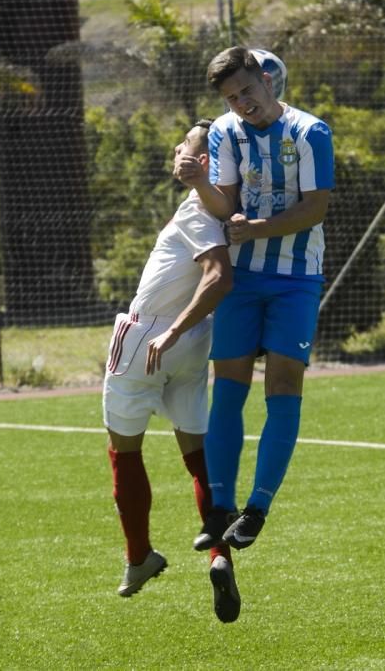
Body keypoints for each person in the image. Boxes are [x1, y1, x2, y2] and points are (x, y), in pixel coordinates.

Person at [173, 46, 335, 552]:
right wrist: (201, 184)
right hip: (242, 279)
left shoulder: (311, 132)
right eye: (230, 97)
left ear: (267, 80)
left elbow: (314, 209)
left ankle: (257, 508)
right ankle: (219, 507)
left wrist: (256, 227)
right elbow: (225, 202)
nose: (241, 103)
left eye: (246, 91)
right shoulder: (224, 132)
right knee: (229, 388)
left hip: (296, 278)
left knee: (283, 386)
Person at [103, 119, 240, 623]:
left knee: (123, 450)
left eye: (184, 140)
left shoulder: (197, 210)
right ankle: (219, 554)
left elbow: (218, 275)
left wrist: (172, 331)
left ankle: (138, 558)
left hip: (152, 338)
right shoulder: (228, 205)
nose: (175, 144)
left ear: (203, 161)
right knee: (198, 454)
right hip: (193, 343)